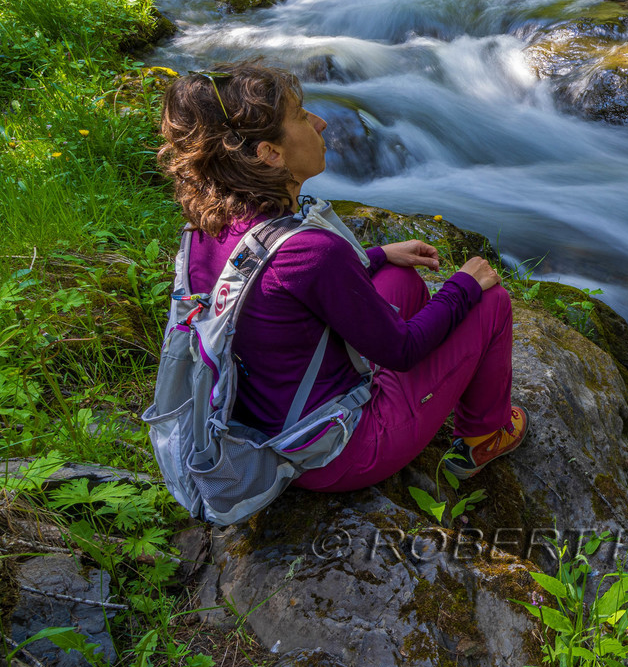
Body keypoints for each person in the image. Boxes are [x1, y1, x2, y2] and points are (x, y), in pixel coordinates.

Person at [157, 60, 527, 492]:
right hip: (337, 453)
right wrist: (462, 287)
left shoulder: (206, 228)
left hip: (263, 426)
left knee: (401, 279)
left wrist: (379, 254)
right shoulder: (312, 251)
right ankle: (485, 435)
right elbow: (402, 350)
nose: (321, 122)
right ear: (270, 154)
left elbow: (276, 287)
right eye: (301, 117)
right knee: (490, 302)